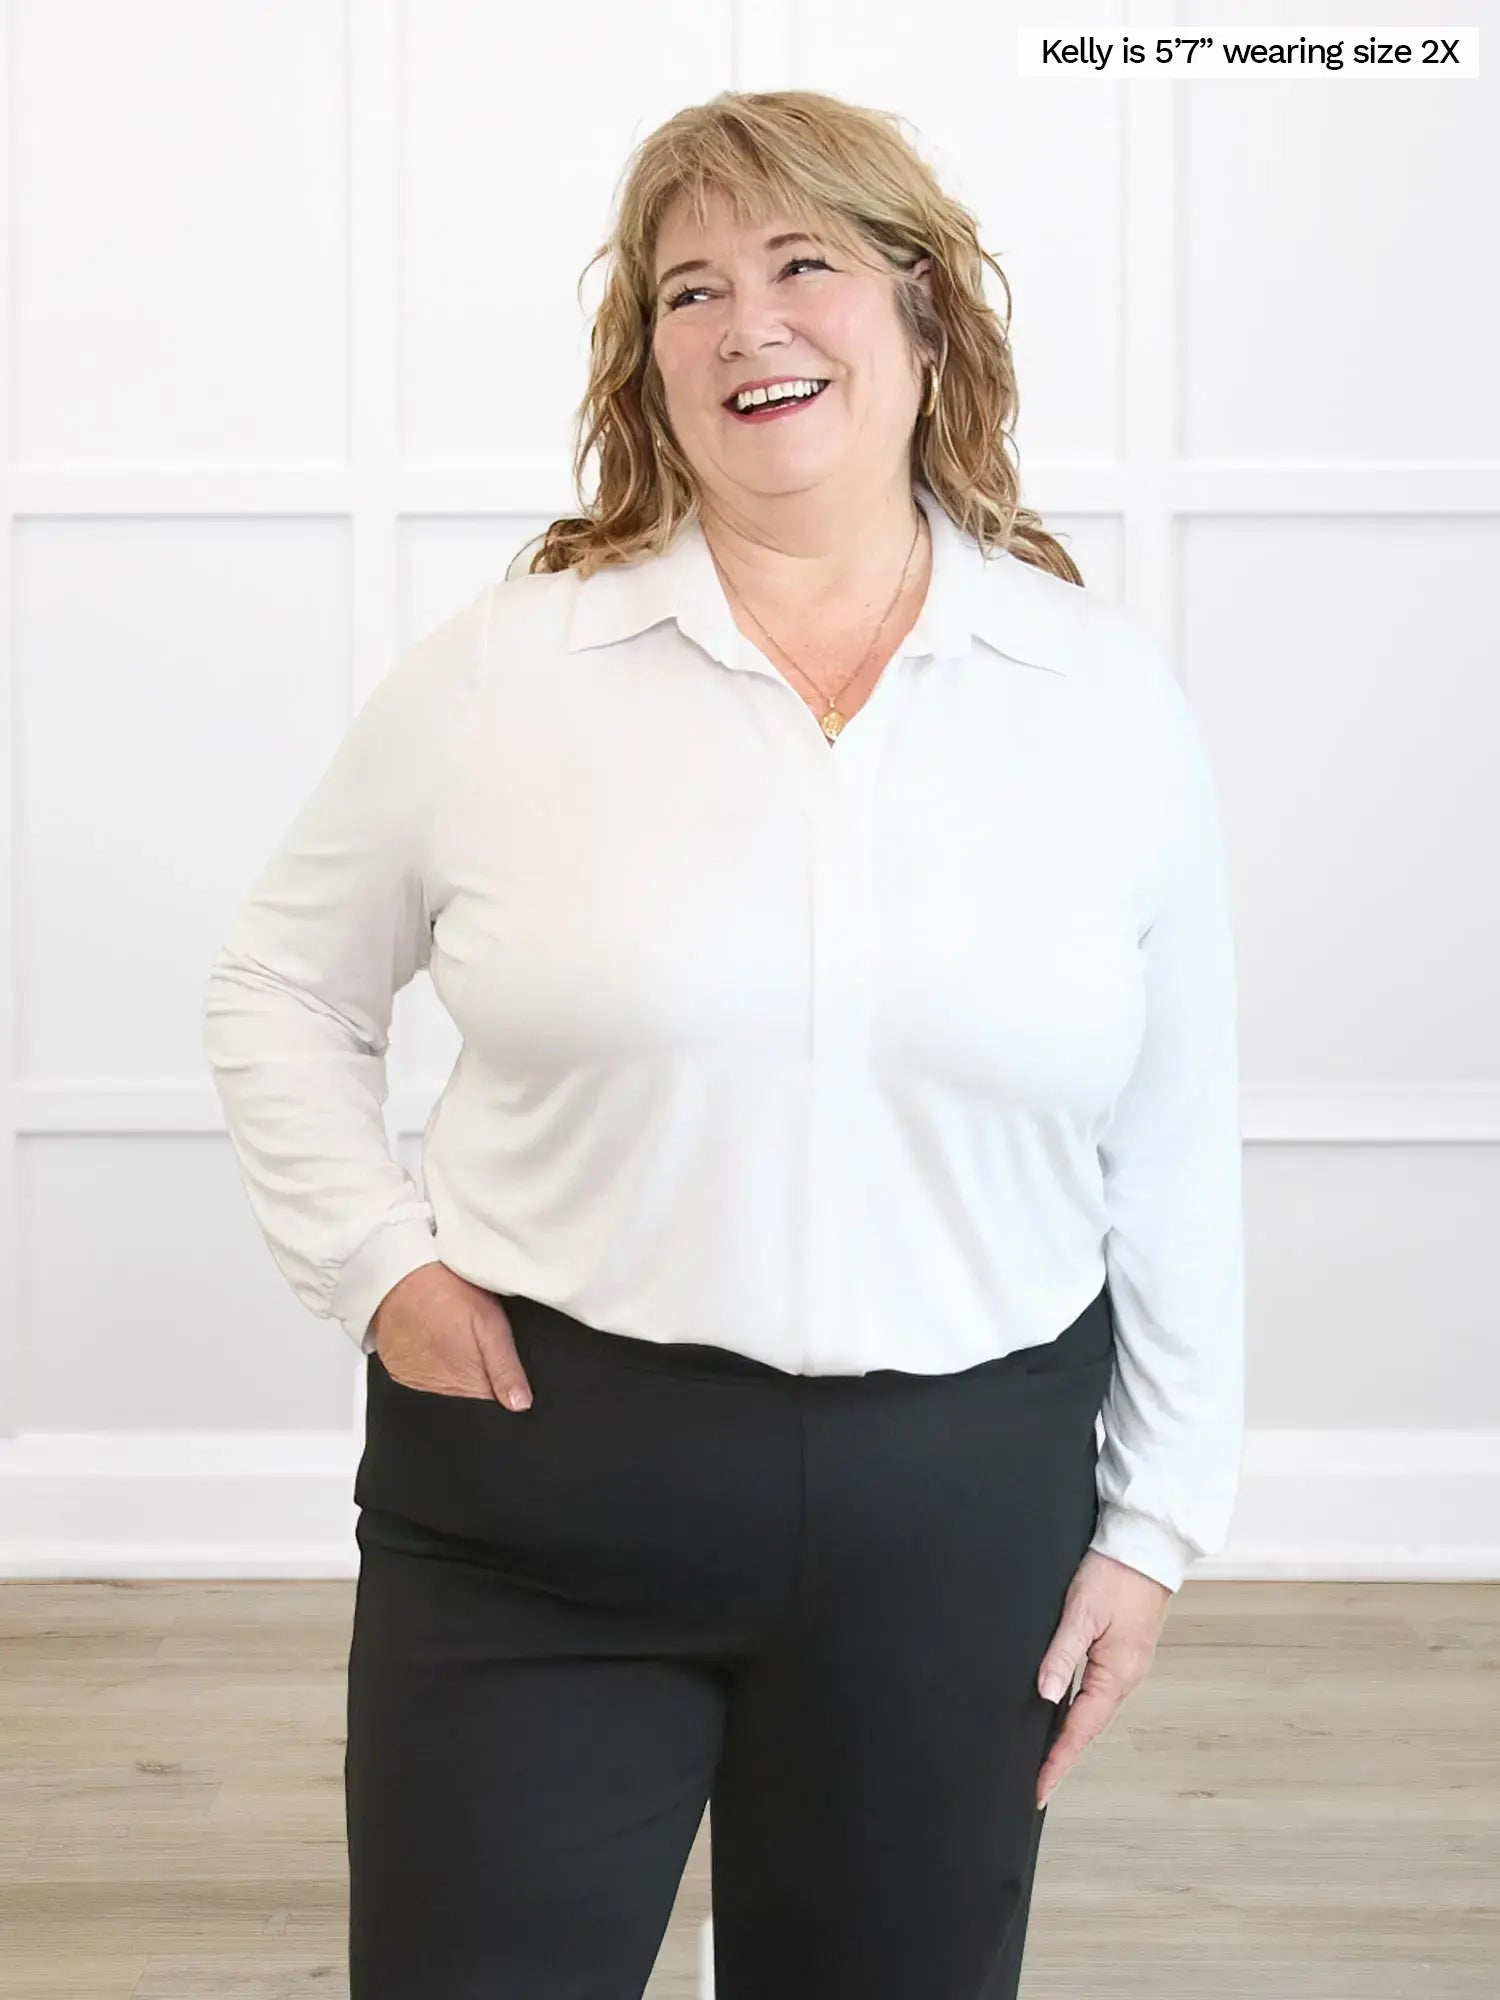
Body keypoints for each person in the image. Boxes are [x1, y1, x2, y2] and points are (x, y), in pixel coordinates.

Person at [201, 87, 1244, 2000]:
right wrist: (377, 1266)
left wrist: (1157, 1526)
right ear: (648, 366)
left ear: (927, 320)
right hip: (543, 1495)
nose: (747, 322)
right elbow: (280, 984)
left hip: (961, 1520)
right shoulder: (511, 672)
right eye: (690, 291)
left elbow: (1173, 1140)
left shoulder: (1100, 705)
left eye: (803, 266)